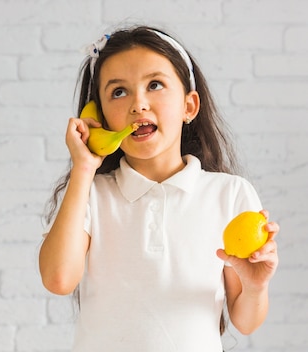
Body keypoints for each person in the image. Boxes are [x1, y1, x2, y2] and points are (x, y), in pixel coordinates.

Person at [39, 25, 279, 351]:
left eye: (154, 85)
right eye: (118, 92)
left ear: (189, 106)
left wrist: (255, 287)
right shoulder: (90, 194)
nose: (138, 104)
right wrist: (83, 167)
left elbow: (246, 320)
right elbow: (58, 279)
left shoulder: (230, 194)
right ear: (100, 117)